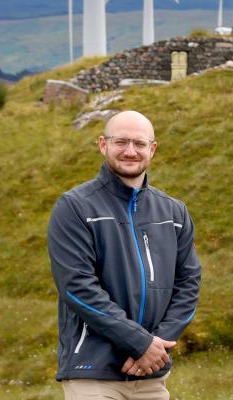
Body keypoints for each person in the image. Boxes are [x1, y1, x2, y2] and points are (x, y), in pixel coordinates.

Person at [48, 110, 202, 400]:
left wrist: (155, 347)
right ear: (103, 145)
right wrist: (140, 343)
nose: (130, 151)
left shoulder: (174, 213)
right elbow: (77, 287)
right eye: (121, 142)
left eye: (139, 144)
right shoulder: (75, 207)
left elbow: (189, 283)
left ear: (152, 149)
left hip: (151, 376)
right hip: (92, 373)